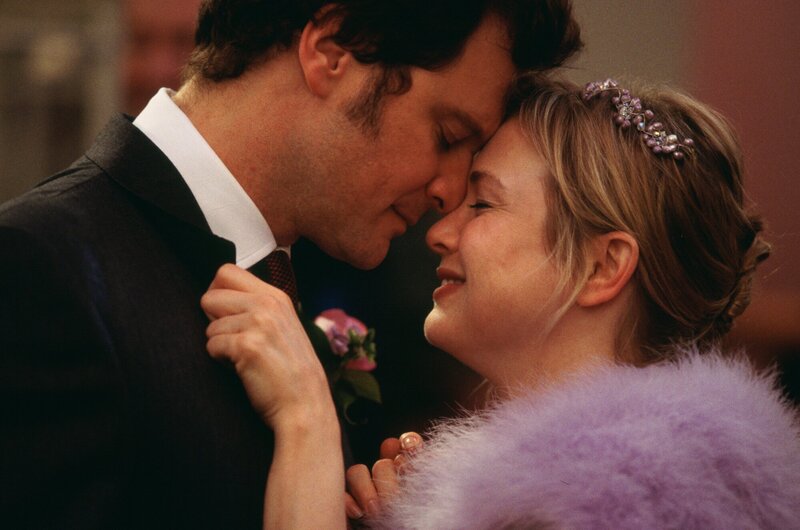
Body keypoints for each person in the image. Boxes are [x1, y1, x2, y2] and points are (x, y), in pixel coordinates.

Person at [0, 1, 582, 528]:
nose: (449, 191)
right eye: (447, 134)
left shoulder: (285, 272)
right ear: (330, 50)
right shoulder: (40, 265)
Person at [202, 76, 800, 528]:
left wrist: (307, 426)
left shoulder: (603, 505)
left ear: (603, 266)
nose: (439, 232)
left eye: (483, 204)